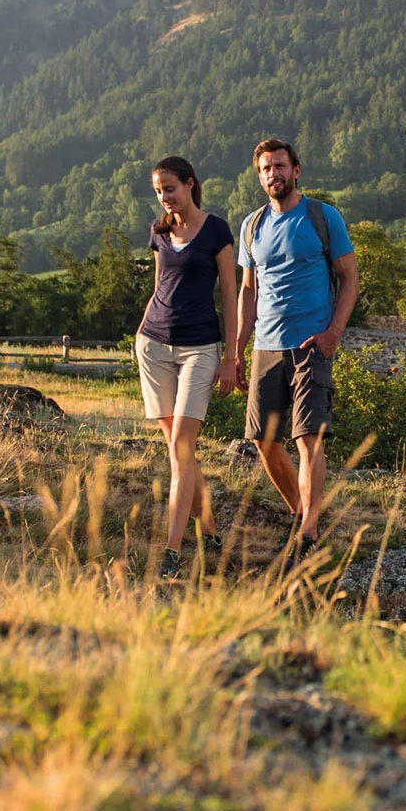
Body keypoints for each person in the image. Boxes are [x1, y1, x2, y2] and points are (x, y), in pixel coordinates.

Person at [236, 138, 357, 551]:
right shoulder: (251, 226)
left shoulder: (323, 217)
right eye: (266, 168)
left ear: (296, 170)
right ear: (259, 176)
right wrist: (237, 348)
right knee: (263, 441)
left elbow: (350, 279)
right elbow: (248, 290)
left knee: (308, 438)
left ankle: (308, 531)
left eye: (280, 166)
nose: (274, 174)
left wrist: (333, 333)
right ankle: (298, 511)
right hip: (265, 347)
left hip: (311, 346)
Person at [134, 156, 238, 580]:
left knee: (181, 448)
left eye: (170, 188)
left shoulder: (216, 230)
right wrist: (141, 336)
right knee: (181, 451)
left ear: (190, 184)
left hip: (200, 349)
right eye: (158, 191)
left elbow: (230, 295)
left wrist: (231, 357)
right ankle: (209, 526)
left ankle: (172, 552)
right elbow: (160, 286)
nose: (164, 197)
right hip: (153, 345)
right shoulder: (160, 231)